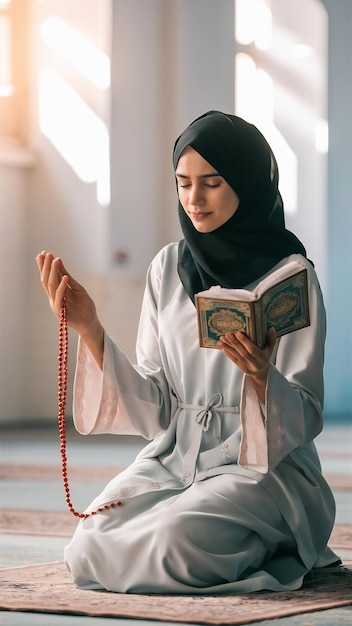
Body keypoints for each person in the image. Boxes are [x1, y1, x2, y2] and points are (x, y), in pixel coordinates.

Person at [36, 110, 339, 594]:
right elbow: (157, 403)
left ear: (246, 181)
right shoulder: (167, 267)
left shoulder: (291, 276)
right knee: (90, 544)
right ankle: (239, 538)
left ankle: (272, 538)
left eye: (212, 183)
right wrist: (91, 329)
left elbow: (306, 409)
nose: (193, 199)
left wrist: (263, 376)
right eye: (182, 183)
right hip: (177, 456)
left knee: (174, 545)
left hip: (263, 467)